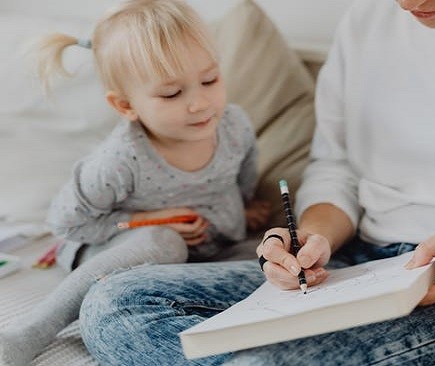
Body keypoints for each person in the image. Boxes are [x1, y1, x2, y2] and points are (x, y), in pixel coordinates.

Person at [76, 0, 435, 364]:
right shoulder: (369, 18)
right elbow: (337, 168)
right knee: (113, 305)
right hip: (366, 265)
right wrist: (310, 236)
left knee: (269, 362)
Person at [0, 0, 271, 365]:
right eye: (172, 93)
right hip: (111, 249)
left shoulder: (234, 126)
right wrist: (150, 219)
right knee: (165, 242)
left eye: (209, 79)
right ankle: (30, 331)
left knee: (268, 256)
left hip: (208, 251)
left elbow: (244, 176)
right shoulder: (119, 161)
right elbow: (66, 224)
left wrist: (246, 207)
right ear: (126, 105)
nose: (200, 102)